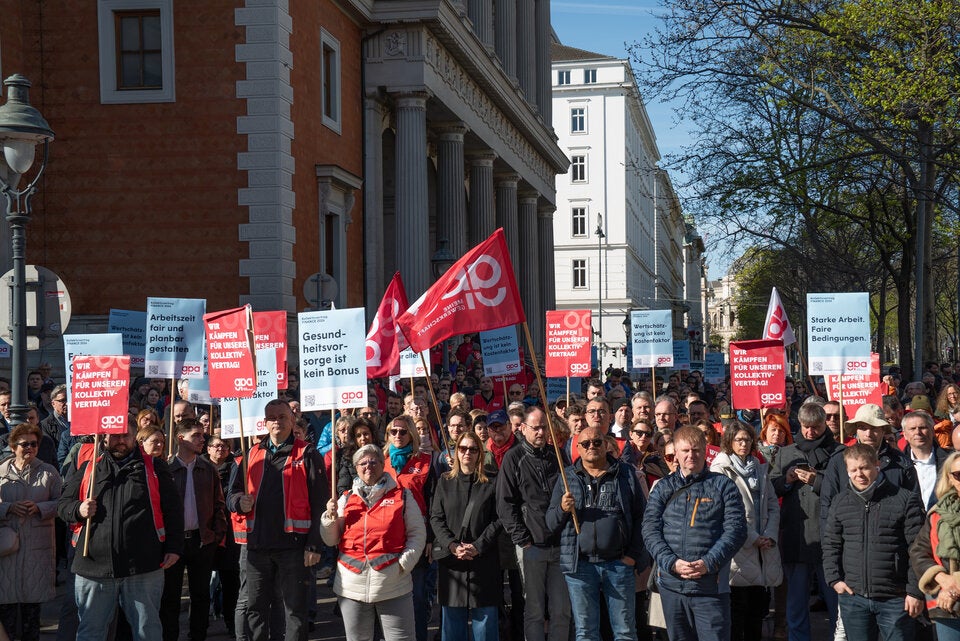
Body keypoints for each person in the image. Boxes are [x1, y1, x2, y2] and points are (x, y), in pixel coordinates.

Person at [58, 423, 184, 641]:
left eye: (125, 435)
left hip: (143, 566)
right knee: (91, 632)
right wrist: (78, 509)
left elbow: (173, 510)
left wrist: (174, 547)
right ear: (104, 437)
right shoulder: (89, 467)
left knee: (148, 631)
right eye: (115, 435)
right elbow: (63, 506)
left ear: (135, 436)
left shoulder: (154, 468)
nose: (120, 440)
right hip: (93, 567)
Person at [228, 399, 329, 641]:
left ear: (292, 420)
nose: (277, 422)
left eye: (282, 417)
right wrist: (238, 501)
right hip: (256, 547)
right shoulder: (250, 454)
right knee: (255, 608)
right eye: (271, 418)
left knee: (295, 612)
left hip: (293, 548)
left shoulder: (308, 454)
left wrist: (314, 545)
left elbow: (320, 504)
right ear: (264, 422)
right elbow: (231, 494)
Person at [642, 426, 747, 641]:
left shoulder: (723, 485)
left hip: (710, 587)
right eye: (686, 450)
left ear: (706, 450)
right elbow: (650, 530)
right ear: (676, 453)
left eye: (697, 450)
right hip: (672, 586)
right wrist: (671, 562)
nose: (691, 456)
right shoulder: (664, 487)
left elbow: (736, 531)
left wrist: (709, 562)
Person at [546, 425, 648, 641]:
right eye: (585, 443)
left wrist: (631, 556)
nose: (591, 446)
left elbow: (642, 517)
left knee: (625, 631)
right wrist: (562, 509)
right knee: (585, 632)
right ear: (579, 449)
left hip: (619, 564)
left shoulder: (625, 474)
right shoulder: (568, 478)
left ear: (606, 445)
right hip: (580, 566)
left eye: (597, 442)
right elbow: (550, 522)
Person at [320, 444, 427, 641]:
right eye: (363, 462)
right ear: (356, 467)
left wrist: (404, 564)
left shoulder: (402, 495)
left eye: (373, 461)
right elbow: (331, 540)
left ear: (382, 465)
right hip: (352, 585)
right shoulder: (345, 499)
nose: (368, 466)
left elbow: (417, 534)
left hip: (393, 584)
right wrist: (329, 517)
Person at [822, 444, 925, 641]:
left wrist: (915, 591)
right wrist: (834, 579)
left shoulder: (904, 499)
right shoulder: (840, 501)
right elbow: (831, 544)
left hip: (896, 598)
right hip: (854, 597)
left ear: (877, 465)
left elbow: (918, 550)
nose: (859, 474)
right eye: (853, 470)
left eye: (864, 468)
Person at [497, 406, 572, 641]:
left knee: (561, 610)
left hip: (560, 544)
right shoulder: (513, 457)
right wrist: (523, 540)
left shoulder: (558, 455)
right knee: (535, 610)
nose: (540, 432)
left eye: (543, 427)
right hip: (531, 546)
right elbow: (505, 504)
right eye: (535, 427)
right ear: (523, 428)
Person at [710, 422, 782, 641]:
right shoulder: (720, 469)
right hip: (738, 549)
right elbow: (724, 511)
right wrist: (752, 538)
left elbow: (772, 505)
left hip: (763, 549)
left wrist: (769, 535)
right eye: (739, 439)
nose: (743, 444)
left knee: (757, 611)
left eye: (747, 439)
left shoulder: (759, 468)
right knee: (736, 612)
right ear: (729, 441)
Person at [430, 432, 502, 641]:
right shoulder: (444, 481)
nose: (467, 453)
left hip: (484, 561)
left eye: (473, 449)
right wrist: (451, 545)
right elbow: (436, 518)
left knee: (486, 627)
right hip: (453, 563)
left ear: (480, 453)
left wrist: (479, 545)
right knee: (452, 628)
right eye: (463, 448)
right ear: (456, 452)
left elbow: (499, 519)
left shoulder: (492, 482)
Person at [160, 419, 227, 641]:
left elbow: (219, 505)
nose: (202, 439)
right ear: (181, 438)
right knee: (170, 596)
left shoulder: (208, 468)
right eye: (196, 435)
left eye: (202, 435)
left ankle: (197, 636)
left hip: (202, 540)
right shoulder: (166, 469)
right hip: (173, 542)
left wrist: (215, 535)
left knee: (200, 596)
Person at [0, 423, 62, 641]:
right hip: (7, 549)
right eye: (24, 444)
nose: (30, 448)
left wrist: (39, 508)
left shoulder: (49, 472)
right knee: (6, 610)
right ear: (13, 446)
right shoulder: (1, 471)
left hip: (37, 548)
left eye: (34, 444)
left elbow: (62, 504)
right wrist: (7, 507)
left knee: (31, 614)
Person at [383, 414, 437, 641]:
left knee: (417, 598)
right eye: (393, 432)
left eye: (403, 432)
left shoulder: (425, 460)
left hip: (417, 538)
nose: (398, 435)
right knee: (389, 600)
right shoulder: (380, 462)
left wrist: (432, 539)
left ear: (412, 434)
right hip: (387, 540)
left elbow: (434, 501)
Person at [909, 451, 960, 640]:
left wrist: (954, 586)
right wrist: (943, 579)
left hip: (949, 596)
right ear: (950, 478)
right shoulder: (937, 514)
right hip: (947, 607)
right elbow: (919, 552)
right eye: (958, 475)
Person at [206, 435, 240, 638]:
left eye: (225, 445)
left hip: (229, 534)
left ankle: (231, 623)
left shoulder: (237, 468)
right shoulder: (199, 468)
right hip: (206, 532)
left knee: (231, 584)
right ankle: (199, 627)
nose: (221, 449)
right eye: (216, 445)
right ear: (208, 449)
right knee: (201, 585)